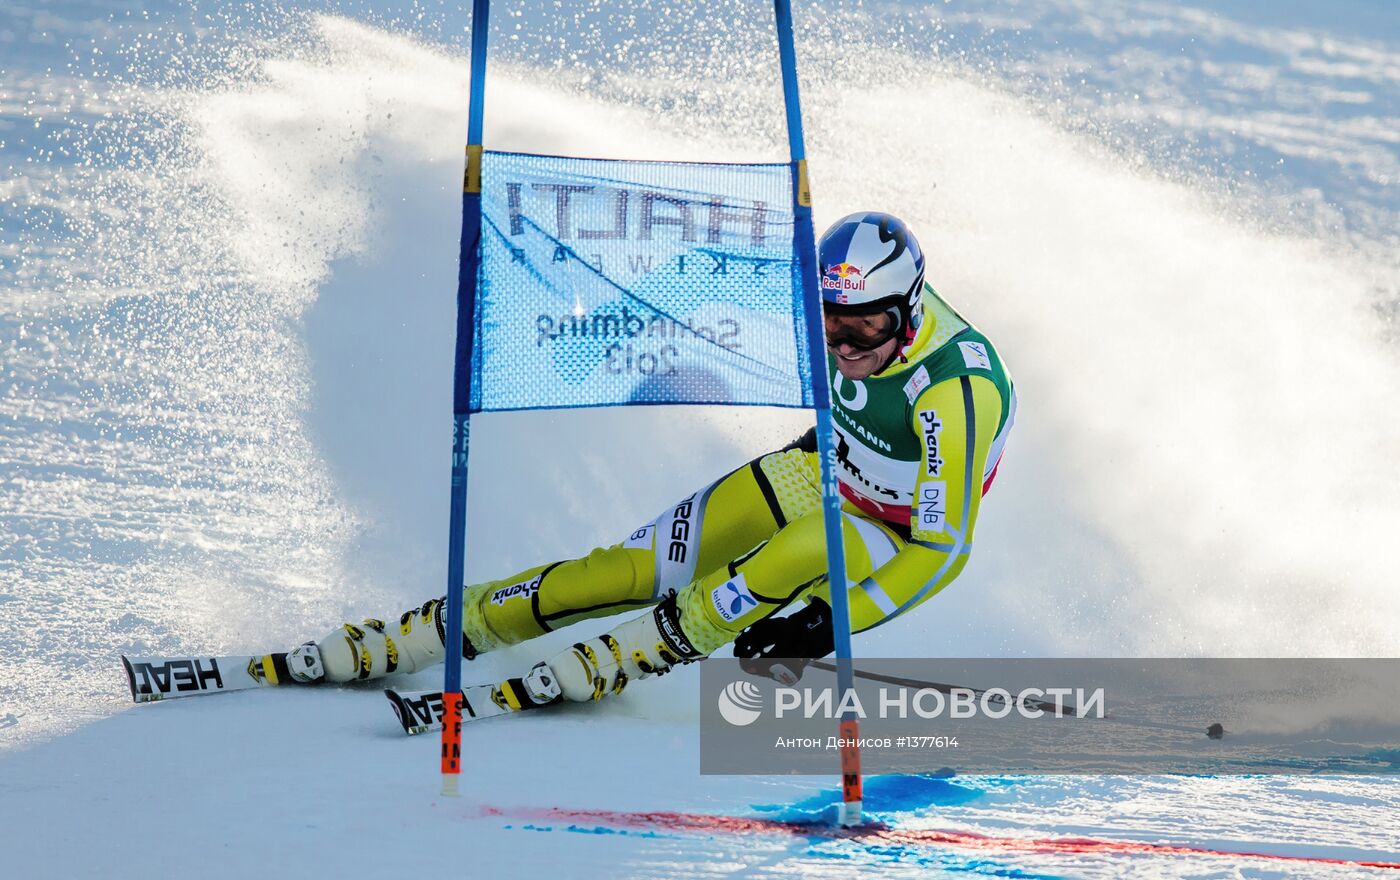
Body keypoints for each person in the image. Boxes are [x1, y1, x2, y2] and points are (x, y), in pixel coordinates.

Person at [282, 211, 1016, 713]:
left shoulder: (951, 393)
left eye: (866, 327)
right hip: (817, 468)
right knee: (628, 572)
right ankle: (446, 627)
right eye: (827, 322)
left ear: (909, 309)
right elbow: (706, 276)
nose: (845, 345)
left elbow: (943, 549)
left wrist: (830, 622)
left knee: (786, 559)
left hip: (891, 525)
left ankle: (638, 651)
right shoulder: (827, 313)